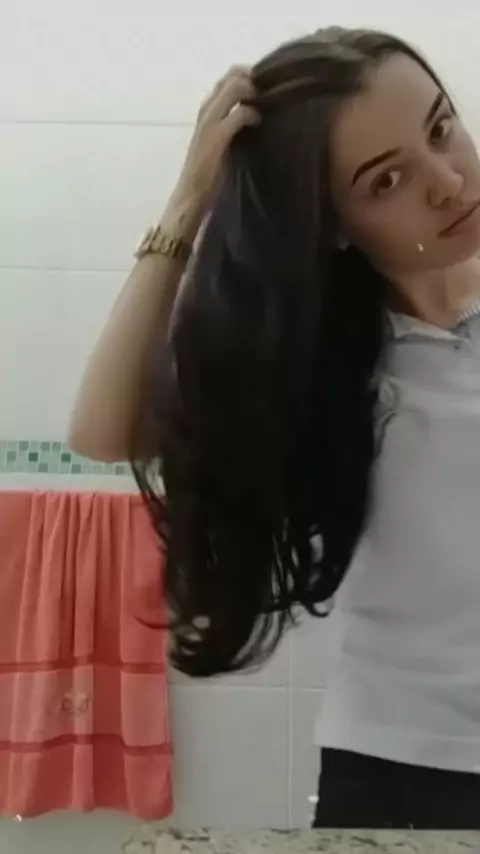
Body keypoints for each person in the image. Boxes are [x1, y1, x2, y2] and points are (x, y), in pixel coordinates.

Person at [68, 27, 480, 829]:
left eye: (441, 128)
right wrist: (187, 202)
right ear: (334, 223)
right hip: (402, 767)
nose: (449, 180)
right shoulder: (316, 364)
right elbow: (103, 431)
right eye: (386, 179)